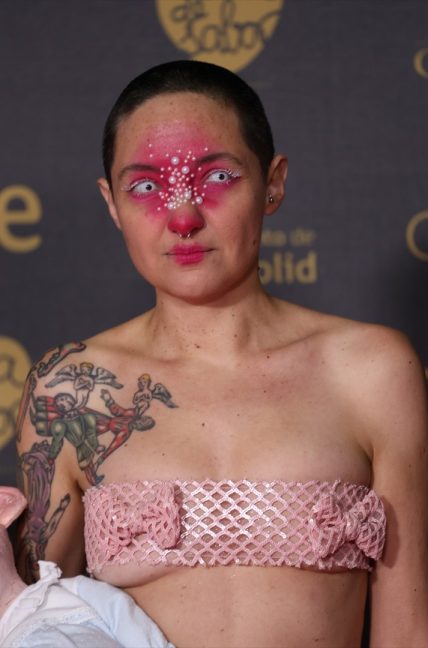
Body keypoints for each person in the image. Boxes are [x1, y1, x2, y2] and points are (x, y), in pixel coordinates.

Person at [5, 59, 428, 647]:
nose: (183, 217)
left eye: (218, 177)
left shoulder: (371, 370)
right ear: (110, 202)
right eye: (147, 186)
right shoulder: (69, 387)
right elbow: (30, 616)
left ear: (272, 182)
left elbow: (410, 629)